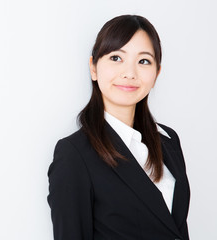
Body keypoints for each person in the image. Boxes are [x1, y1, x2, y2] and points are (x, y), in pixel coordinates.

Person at [47, 15, 190, 240]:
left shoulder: (168, 139)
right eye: (116, 58)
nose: (130, 73)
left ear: (157, 74)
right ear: (93, 68)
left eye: (143, 61)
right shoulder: (74, 154)